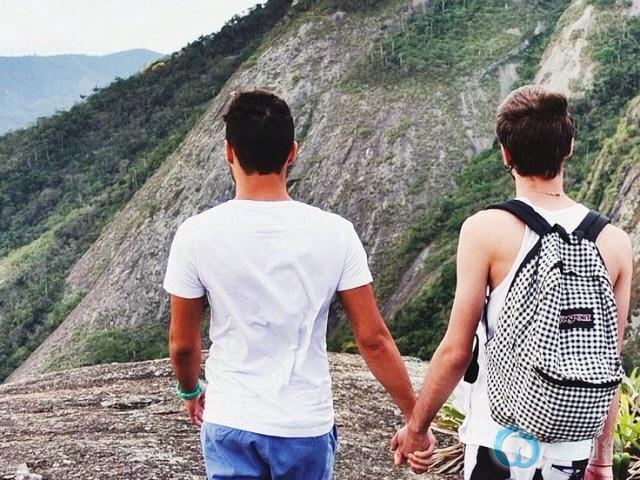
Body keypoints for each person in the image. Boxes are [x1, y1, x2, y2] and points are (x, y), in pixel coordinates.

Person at [163, 89, 416, 480]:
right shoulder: (336, 233)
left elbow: (182, 344)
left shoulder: (196, 234)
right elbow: (373, 340)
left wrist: (190, 391)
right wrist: (415, 418)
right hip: (304, 423)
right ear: (292, 152)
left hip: (232, 417)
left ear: (229, 152)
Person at [391, 85, 633, 479]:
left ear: (505, 155)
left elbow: (456, 350)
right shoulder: (615, 242)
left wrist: (416, 429)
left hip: (499, 444)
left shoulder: (485, 230)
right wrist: (601, 459)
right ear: (569, 147)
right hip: (572, 450)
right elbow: (608, 361)